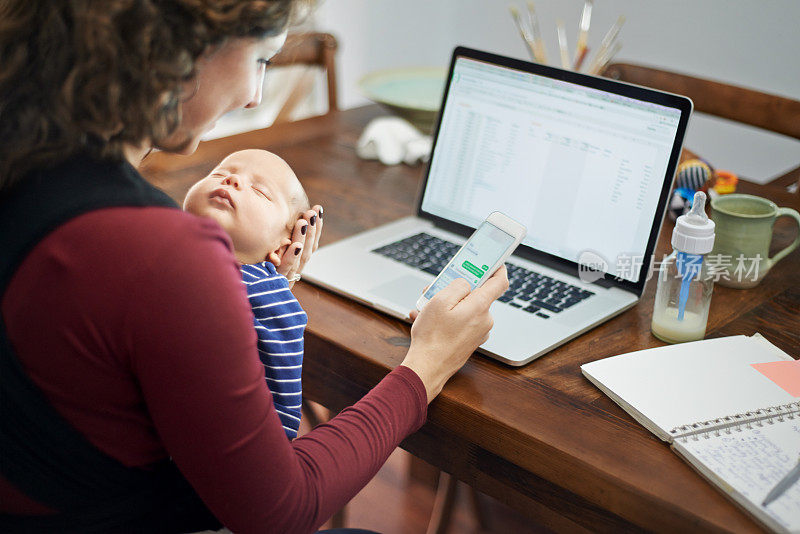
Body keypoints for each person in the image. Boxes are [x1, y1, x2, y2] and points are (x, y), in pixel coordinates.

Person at [0, 2, 509, 533]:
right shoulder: (163, 256)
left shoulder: (29, 167)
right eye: (262, 59)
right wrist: (427, 365)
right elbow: (283, 511)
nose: (253, 96)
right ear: (185, 44)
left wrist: (241, 289)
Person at [184, 149, 313, 440]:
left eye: (259, 190)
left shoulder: (271, 299)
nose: (231, 180)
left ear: (281, 248)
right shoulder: (158, 244)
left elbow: (279, 407)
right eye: (219, 173)